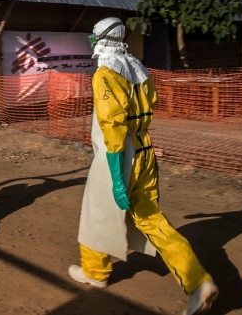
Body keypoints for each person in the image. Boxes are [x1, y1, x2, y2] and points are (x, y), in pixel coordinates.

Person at [69, 18, 218, 315]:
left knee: (96, 214)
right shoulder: (138, 67)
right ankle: (198, 281)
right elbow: (151, 102)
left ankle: (95, 273)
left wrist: (116, 178)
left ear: (100, 39)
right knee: (151, 219)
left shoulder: (105, 74)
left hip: (119, 155)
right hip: (145, 150)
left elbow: (112, 128)